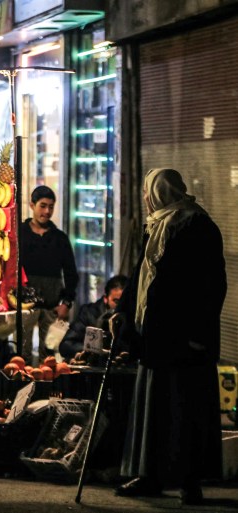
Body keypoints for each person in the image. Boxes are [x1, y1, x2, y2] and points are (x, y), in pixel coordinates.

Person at [114, 169, 225, 505]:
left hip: (186, 340)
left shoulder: (197, 226)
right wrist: (123, 312)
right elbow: (141, 277)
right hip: (158, 337)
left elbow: (210, 286)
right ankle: (150, 475)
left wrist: (199, 334)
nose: (146, 199)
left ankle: (190, 481)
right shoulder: (158, 226)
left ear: (158, 193)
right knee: (155, 408)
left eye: (149, 192)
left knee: (185, 409)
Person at [18, 185, 78, 364]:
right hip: (25, 307)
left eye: (51, 207)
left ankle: (49, 391)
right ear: (32, 205)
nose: (47, 211)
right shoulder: (20, 234)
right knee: (23, 354)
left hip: (52, 306)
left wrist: (66, 304)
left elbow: (71, 273)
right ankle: (23, 390)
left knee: (51, 356)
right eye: (42, 206)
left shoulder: (60, 238)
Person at [59, 275, 128, 361]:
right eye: (116, 301)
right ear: (105, 298)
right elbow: (66, 345)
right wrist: (92, 350)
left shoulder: (135, 318)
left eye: (125, 301)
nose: (121, 306)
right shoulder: (89, 313)